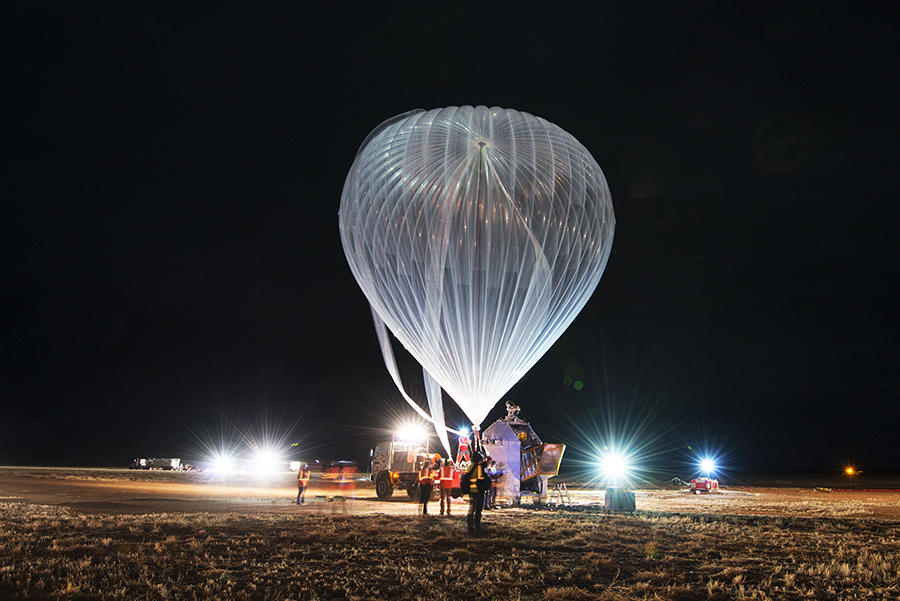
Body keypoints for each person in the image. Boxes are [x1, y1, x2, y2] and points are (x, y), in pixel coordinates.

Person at [465, 452, 490, 535]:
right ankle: (477, 527)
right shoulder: (480, 467)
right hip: (478, 491)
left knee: (471, 509)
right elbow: (489, 459)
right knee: (478, 509)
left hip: (471, 491)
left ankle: (470, 527)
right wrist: (486, 455)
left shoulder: (470, 467)